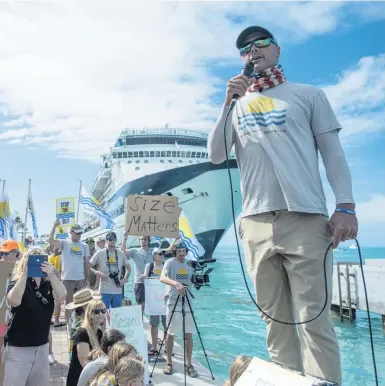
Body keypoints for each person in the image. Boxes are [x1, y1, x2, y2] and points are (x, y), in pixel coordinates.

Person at [207, 26, 356, 385]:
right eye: (244, 48)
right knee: (275, 325)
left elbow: (333, 154)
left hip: (305, 219)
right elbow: (214, 155)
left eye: (260, 44)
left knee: (314, 322)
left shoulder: (308, 95)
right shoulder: (236, 105)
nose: (252, 51)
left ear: (277, 50)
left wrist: (346, 206)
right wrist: (226, 105)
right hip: (255, 223)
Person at [4, 247, 66, 385]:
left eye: (41, 260)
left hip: (42, 347)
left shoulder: (48, 283)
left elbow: (62, 296)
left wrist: (52, 276)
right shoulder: (17, 282)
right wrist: (24, 274)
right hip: (19, 348)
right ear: (25, 262)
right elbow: (14, 301)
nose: (37, 264)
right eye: (33, 260)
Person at [160, 243, 198, 378]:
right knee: (170, 332)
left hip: (187, 300)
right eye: (179, 251)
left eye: (184, 251)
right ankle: (169, 362)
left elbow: (195, 280)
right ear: (175, 252)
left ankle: (189, 364)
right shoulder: (169, 262)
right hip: (172, 300)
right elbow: (162, 277)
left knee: (189, 332)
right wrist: (175, 283)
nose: (182, 254)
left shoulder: (190, 263)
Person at [0, 239, 22, 385]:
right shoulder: (0, 268)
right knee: (2, 349)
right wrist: (0, 317)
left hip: (21, 315)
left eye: (6, 253)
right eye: (2, 253)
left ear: (16, 254)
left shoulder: (23, 269)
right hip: (4, 314)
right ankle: (1, 381)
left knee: (20, 351)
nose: (3, 255)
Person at [48, 222, 91, 323]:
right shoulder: (64, 243)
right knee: (68, 304)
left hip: (80, 279)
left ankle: (81, 326)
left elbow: (87, 263)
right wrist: (54, 226)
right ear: (71, 232)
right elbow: (50, 240)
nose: (79, 235)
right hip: (67, 279)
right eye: (77, 233)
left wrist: (87, 278)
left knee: (83, 303)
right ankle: (69, 327)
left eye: (80, 233)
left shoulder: (84, 246)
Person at [66, 298, 106, 386]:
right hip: (80, 379)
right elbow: (85, 363)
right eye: (96, 311)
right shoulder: (82, 333)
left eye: (103, 311)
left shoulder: (99, 333)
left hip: (92, 378)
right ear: (90, 314)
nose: (100, 314)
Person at [90, 231, 131, 309]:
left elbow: (129, 268)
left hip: (117, 291)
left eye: (114, 239)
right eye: (110, 239)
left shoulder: (121, 253)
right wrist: (96, 272)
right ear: (106, 241)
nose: (112, 241)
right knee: (103, 314)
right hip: (104, 291)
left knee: (116, 315)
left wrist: (124, 279)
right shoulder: (100, 253)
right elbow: (88, 266)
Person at [141, 248, 167, 356]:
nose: (161, 255)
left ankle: (167, 345)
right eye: (159, 253)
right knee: (154, 324)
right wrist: (144, 277)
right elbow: (145, 281)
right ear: (154, 255)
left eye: (162, 253)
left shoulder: (166, 265)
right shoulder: (149, 266)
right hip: (153, 301)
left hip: (165, 300)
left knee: (167, 324)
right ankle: (155, 347)